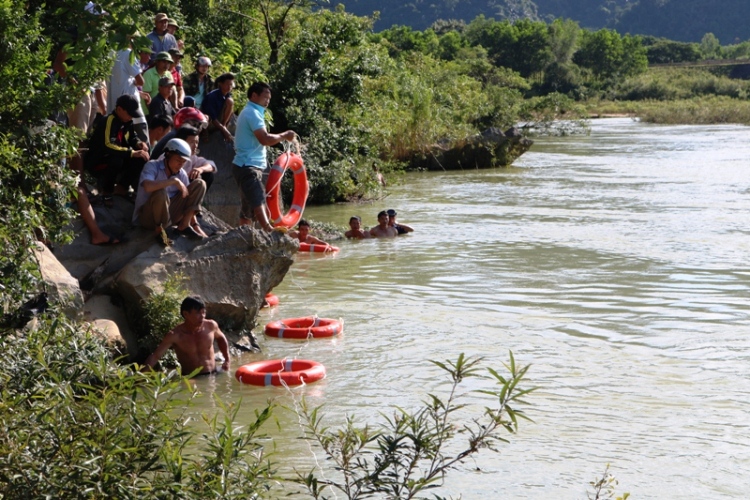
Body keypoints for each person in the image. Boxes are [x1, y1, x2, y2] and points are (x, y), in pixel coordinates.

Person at [233, 82, 296, 231]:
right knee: (258, 198)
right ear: (254, 95)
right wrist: (284, 135)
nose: (267, 101)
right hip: (247, 165)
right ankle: (268, 229)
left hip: (244, 165)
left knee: (247, 206)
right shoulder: (252, 113)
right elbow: (265, 139)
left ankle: (244, 235)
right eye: (265, 97)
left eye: (269, 98)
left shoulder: (253, 111)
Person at [132, 138, 207, 241]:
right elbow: (147, 186)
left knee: (200, 183)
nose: (181, 164)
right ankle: (159, 231)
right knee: (160, 192)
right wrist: (173, 181)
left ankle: (184, 225)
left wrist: (195, 224)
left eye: (184, 161)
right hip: (148, 217)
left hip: (169, 215)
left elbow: (188, 197)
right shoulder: (152, 166)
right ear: (167, 155)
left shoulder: (182, 174)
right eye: (178, 160)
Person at [85, 94, 150, 204]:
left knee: (142, 158)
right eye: (129, 114)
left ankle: (121, 187)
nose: (131, 117)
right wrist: (132, 153)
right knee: (116, 159)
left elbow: (132, 136)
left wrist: (139, 144)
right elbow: (108, 145)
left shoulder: (127, 121)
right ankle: (107, 192)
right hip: (100, 160)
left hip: (118, 155)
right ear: (119, 109)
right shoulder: (109, 120)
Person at [144, 295, 230, 375]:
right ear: (186, 314)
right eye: (198, 313)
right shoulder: (175, 335)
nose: (202, 316)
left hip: (214, 373)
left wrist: (227, 360)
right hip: (191, 379)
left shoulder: (211, 325)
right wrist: (139, 378)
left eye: (203, 312)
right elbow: (155, 356)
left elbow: (221, 338)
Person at [177, 125, 217, 191]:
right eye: (192, 142)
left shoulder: (192, 157)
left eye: (197, 142)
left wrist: (200, 169)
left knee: (208, 175)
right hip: (170, 193)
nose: (195, 146)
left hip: (183, 192)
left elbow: (211, 165)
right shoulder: (170, 156)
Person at [201, 72, 235, 143]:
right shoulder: (212, 96)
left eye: (231, 85)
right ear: (221, 84)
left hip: (219, 121)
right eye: (227, 84)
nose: (229, 87)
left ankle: (224, 125)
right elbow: (212, 117)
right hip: (208, 122)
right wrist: (223, 130)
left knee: (230, 101)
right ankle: (205, 132)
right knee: (206, 117)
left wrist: (223, 126)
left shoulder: (227, 96)